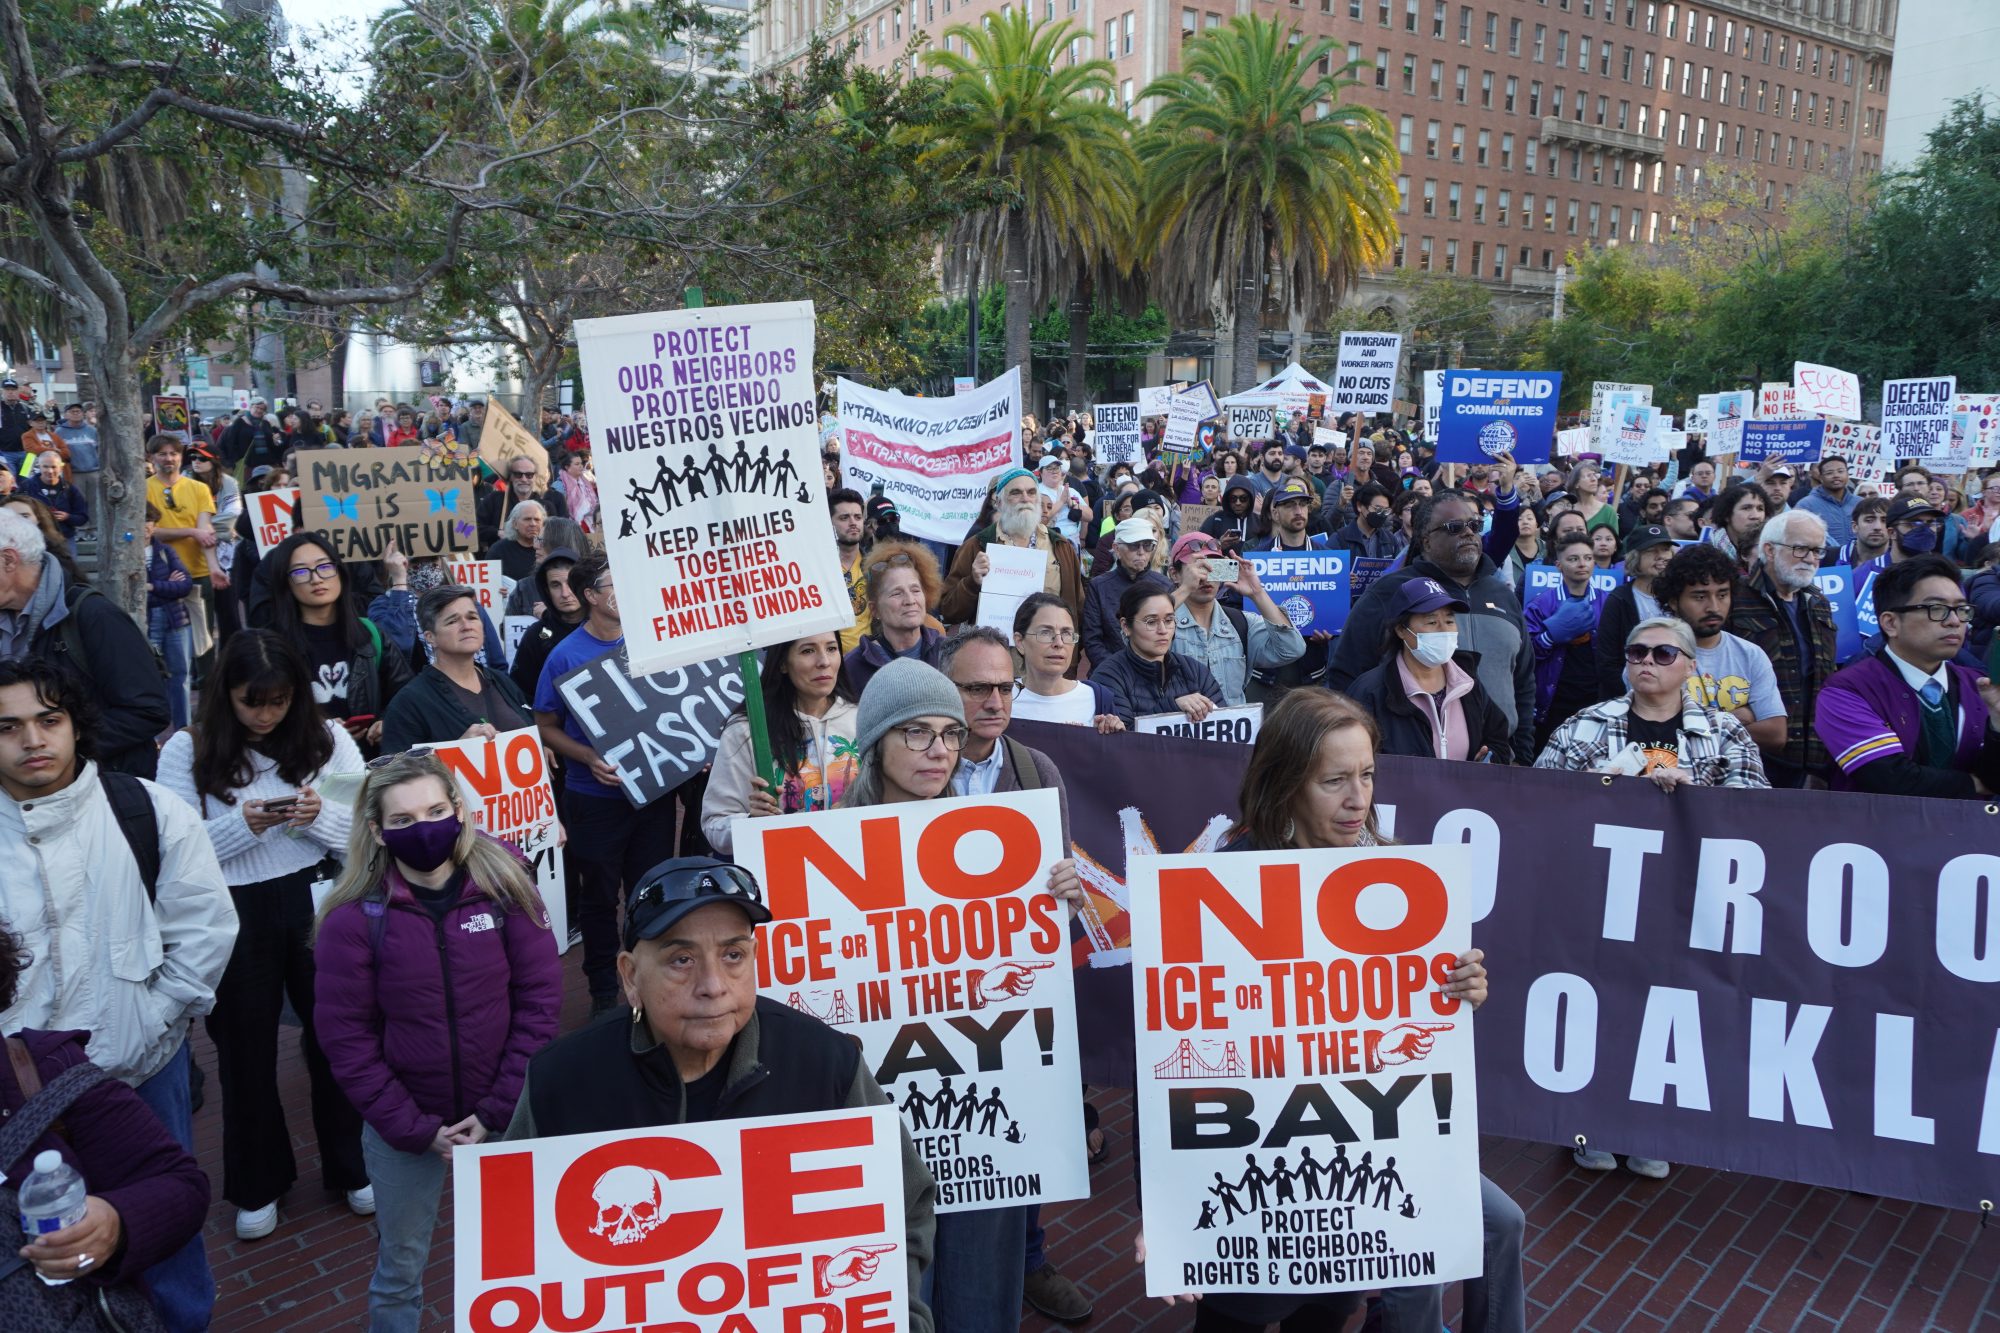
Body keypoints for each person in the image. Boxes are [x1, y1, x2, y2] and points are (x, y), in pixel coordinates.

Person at [1147, 689, 1514, 1333]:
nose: (1358, 799)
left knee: (1495, 1225)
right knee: (1241, 1315)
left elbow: (1414, 1028)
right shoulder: (1226, 882)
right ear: (1286, 783)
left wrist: (1460, 992)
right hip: (1261, 1158)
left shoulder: (1391, 876)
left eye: (1368, 774)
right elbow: (1170, 1050)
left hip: (1366, 1137)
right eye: (1335, 780)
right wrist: (1167, 1208)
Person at [503, 855, 938, 1333]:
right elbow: (511, 1246)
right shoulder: (562, 1081)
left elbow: (904, 1201)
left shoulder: (824, 1063)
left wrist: (902, 1312)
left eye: (733, 955)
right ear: (630, 977)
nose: (713, 986)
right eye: (681, 960)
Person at [834, 657, 1085, 1333]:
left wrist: (1054, 905)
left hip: (983, 1123)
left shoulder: (992, 844)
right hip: (878, 1114)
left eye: (948, 731)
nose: (939, 748)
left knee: (978, 1303)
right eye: (916, 732)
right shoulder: (821, 848)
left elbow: (1022, 968)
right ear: (876, 743)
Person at [0, 658, 237, 1331]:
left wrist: (151, 1019)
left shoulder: (147, 808)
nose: (32, 739)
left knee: (165, 1237)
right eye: (9, 726)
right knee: (30, 1254)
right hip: (15, 1093)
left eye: (49, 719)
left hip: (138, 1071)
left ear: (76, 723)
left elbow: (203, 928)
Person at [315, 749, 562, 1332]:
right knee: (400, 1269)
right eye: (402, 821)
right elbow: (346, 1040)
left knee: (525, 1258)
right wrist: (414, 1128)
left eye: (434, 811)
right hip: (405, 1126)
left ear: (458, 811)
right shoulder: (352, 919)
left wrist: (497, 1106)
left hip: (507, 1115)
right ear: (377, 832)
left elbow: (540, 1001)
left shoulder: (506, 884)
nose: (422, 830)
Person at [157, 631, 370, 1240]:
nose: (266, 714)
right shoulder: (186, 749)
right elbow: (175, 851)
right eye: (253, 702)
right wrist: (239, 828)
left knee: (336, 1035)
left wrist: (317, 817)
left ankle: (353, 1166)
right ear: (226, 696)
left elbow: (364, 829)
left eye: (278, 701)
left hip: (316, 893)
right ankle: (257, 1185)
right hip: (231, 910)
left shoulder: (327, 738)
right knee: (243, 1051)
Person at [0, 918, 212, 1308]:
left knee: (180, 1300)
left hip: (54, 1310)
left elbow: (180, 1184)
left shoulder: (47, 1068)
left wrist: (115, 1221)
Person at [532, 550, 682, 1012]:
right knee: (598, 897)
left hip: (653, 794)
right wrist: (585, 756)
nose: (624, 594)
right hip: (593, 798)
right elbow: (544, 724)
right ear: (591, 596)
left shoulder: (651, 640)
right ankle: (602, 991)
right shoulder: (564, 656)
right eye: (613, 586)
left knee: (649, 890)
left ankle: (650, 979)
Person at [1330, 490, 1536, 764]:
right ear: (1426, 540)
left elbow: (1523, 682)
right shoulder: (1389, 593)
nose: (1468, 533)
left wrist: (1521, 755)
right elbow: (1348, 677)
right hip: (1406, 769)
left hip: (1497, 766)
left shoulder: (1503, 595)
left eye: (1474, 526)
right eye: (1454, 527)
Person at [1812, 554, 2000, 798]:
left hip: (1967, 832)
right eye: (1937, 609)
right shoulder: (1845, 690)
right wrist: (1974, 784)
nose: (1955, 621)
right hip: (1873, 832)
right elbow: (1889, 778)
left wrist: (1997, 722)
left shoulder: (1979, 685)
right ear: (1890, 623)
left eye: (1962, 609)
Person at [0, 508, 170, 775]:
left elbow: (147, 711)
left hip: (100, 791)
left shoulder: (94, 616)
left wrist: (66, 750)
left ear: (9, 560)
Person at [1538, 617, 1771, 800]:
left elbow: (1750, 811)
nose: (1647, 660)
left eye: (1664, 654)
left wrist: (1694, 796)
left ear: (1690, 667)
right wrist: (1579, 789)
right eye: (1637, 652)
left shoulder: (1725, 730)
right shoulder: (1583, 723)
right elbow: (1537, 796)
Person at [700, 632, 859, 856]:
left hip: (855, 873)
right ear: (783, 663)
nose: (824, 661)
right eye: (808, 651)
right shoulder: (747, 730)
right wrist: (752, 823)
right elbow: (715, 824)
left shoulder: (862, 719)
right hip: (781, 876)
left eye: (832, 648)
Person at [262, 531, 412, 751]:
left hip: (368, 765)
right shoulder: (269, 646)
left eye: (324, 567)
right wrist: (310, 729)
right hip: (303, 769)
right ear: (285, 582)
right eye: (301, 571)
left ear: (339, 572)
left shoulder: (370, 635)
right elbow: (257, 714)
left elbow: (405, 694)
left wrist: (387, 721)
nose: (316, 579)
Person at [1343, 577, 1513, 762]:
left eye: (1449, 621)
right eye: (1431, 622)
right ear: (1401, 630)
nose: (1444, 630)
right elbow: (1356, 761)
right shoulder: (1370, 692)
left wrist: (1489, 758)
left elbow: (1498, 740)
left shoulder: (1467, 683)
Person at [1730, 511, 1837, 787]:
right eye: (1800, 548)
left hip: (1809, 755)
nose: (1811, 558)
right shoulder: (1733, 598)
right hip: (1750, 751)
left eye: (1817, 550)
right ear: (1769, 549)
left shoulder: (1818, 602)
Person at [1653, 543, 1788, 753]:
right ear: (1673, 601)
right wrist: (1737, 718)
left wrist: (1697, 726)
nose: (1714, 607)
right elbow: (1657, 732)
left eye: (1722, 594)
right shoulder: (1650, 656)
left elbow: (1775, 734)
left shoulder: (1751, 654)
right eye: (1700, 596)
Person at [381, 585, 533, 751]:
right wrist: (458, 750)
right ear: (430, 637)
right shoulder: (409, 703)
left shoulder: (503, 682)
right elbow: (396, 773)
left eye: (472, 617)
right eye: (452, 621)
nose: (466, 626)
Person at [1166, 532, 1306, 706]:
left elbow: (1292, 649)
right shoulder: (1163, 624)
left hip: (1230, 731)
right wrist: (1186, 588)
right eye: (1198, 567)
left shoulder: (1240, 623)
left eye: (1214, 567)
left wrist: (1258, 593)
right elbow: (1136, 645)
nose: (1206, 576)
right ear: (1174, 574)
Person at [941, 467, 1085, 629]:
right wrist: (972, 582)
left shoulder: (1061, 546)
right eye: (1015, 492)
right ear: (999, 502)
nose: (1025, 499)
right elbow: (949, 610)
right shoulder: (976, 546)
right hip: (995, 649)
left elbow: (1077, 605)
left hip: (1047, 649)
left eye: (1031, 492)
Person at [1091, 582, 1229, 727]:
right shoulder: (1108, 676)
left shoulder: (1196, 671)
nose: (1163, 630)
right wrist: (1173, 707)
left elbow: (1226, 726)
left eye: (1169, 620)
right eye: (1151, 622)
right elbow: (1121, 740)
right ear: (1126, 626)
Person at [1524, 532, 1612, 743]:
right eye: (1573, 559)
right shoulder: (1541, 603)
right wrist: (1550, 636)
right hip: (1554, 699)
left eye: (1588, 558)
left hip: (1595, 698)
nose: (1582, 564)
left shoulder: (1609, 601)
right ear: (1559, 565)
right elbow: (1525, 655)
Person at [844, 540, 949, 695]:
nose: (910, 600)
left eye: (915, 590)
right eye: (897, 593)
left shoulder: (948, 653)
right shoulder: (854, 666)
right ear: (875, 610)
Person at [1011, 593, 1123, 730]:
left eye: (1066, 633)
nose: (1059, 643)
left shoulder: (1098, 699)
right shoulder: (1000, 699)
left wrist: (1115, 735)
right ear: (1020, 642)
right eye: (1045, 632)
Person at [1591, 524, 1673, 700]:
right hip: (1628, 699)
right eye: (1652, 551)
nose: (1661, 557)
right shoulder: (1619, 600)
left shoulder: (1679, 597)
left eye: (1665, 550)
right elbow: (1607, 663)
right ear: (1635, 558)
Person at [1084, 516, 1172, 668]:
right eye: (1134, 546)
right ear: (1117, 548)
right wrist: (1116, 671)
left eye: (1148, 546)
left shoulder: (1165, 585)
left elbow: (1171, 637)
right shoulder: (1099, 586)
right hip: (1110, 673)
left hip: (1154, 672)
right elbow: (1092, 640)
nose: (1141, 552)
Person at [145, 500, 197, 732]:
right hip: (147, 621)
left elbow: (185, 584)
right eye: (140, 520)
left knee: (181, 675)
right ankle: (154, 732)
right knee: (151, 678)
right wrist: (166, 586)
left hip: (176, 620)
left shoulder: (166, 551)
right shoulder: (124, 554)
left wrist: (153, 587)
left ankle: (184, 729)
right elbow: (135, 592)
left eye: (149, 521)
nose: (145, 526)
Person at [507, 546, 584, 702]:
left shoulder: (605, 627)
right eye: (556, 585)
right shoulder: (537, 636)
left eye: (570, 582)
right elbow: (521, 693)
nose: (565, 593)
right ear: (546, 590)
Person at [1856, 493, 1948, 589]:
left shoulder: (1945, 574)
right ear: (1892, 533)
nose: (1925, 529)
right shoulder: (1864, 575)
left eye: (1930, 523)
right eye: (1915, 523)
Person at [475, 457, 567, 552]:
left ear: (535, 477)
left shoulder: (547, 507)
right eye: (518, 474)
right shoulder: (494, 500)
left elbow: (556, 537)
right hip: (501, 559)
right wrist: (497, 533)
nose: (524, 479)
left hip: (535, 561)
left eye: (529, 475)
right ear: (511, 476)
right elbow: (473, 528)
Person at [830, 487, 873, 652]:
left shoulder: (875, 566)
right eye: (844, 517)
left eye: (857, 517)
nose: (853, 523)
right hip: (832, 662)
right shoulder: (818, 570)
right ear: (830, 522)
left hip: (868, 658)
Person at [1700, 481, 1768, 576]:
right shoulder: (1705, 555)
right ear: (1727, 515)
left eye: (1760, 509)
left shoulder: (1771, 550)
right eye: (1746, 508)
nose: (1756, 516)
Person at [19, 451, 87, 539]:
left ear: (61, 468)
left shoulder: (70, 489)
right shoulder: (26, 487)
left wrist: (68, 517)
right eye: (45, 466)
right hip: (35, 538)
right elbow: (16, 514)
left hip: (64, 538)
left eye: (54, 467)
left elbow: (82, 518)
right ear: (39, 467)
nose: (50, 471)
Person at [1797, 455, 1860, 547]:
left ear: (1848, 474)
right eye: (1829, 473)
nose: (1836, 476)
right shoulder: (1806, 505)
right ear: (1821, 478)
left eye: (1840, 471)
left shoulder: (1861, 503)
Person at [485, 498, 545, 581]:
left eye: (537, 519)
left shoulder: (548, 549)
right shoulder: (498, 550)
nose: (533, 524)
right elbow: (489, 582)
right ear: (514, 524)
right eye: (527, 519)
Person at [1199, 478, 1258, 548]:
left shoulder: (1259, 521)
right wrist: (1219, 544)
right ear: (1227, 499)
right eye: (1233, 498)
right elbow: (1198, 547)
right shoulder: (1216, 519)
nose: (1238, 503)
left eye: (1243, 498)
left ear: (1250, 499)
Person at [53, 401, 100, 472]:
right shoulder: (59, 432)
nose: (75, 413)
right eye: (72, 412)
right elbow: (56, 453)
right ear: (66, 415)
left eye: (78, 411)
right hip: (72, 473)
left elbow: (100, 450)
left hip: (94, 471)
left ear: (83, 414)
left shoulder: (92, 430)